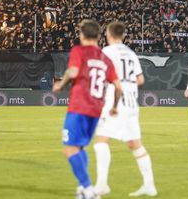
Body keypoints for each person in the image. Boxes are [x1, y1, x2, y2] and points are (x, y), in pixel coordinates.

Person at [53, 19, 123, 199]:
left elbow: (74, 72)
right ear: (99, 36)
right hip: (96, 110)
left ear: (81, 35)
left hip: (79, 106)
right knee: (80, 147)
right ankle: (82, 189)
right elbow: (118, 87)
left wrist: (60, 84)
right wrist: (114, 106)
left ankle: (89, 190)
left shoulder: (79, 51)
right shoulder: (106, 59)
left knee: (69, 148)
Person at [93, 21, 157, 197]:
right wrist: (127, 83)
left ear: (108, 34)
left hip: (116, 100)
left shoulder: (106, 52)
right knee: (135, 144)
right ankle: (149, 185)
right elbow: (141, 80)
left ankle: (101, 185)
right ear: (123, 36)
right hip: (131, 102)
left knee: (100, 141)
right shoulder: (130, 53)